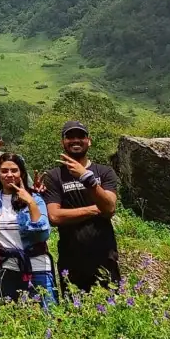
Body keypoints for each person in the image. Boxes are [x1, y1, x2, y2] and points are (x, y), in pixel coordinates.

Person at [42, 120, 119, 293]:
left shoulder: (104, 172)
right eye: (70, 137)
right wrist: (94, 209)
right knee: (74, 307)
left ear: (89, 141)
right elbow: (54, 217)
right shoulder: (54, 176)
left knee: (111, 305)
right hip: (71, 259)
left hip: (105, 256)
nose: (75, 140)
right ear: (63, 142)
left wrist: (86, 178)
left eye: (81, 136)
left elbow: (109, 209)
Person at [0, 154, 55, 307]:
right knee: (8, 314)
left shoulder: (36, 198)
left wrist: (30, 202)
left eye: (14, 170)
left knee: (45, 314)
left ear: (21, 173)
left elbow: (43, 232)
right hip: (6, 268)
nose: (9, 175)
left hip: (37, 267)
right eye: (4, 171)